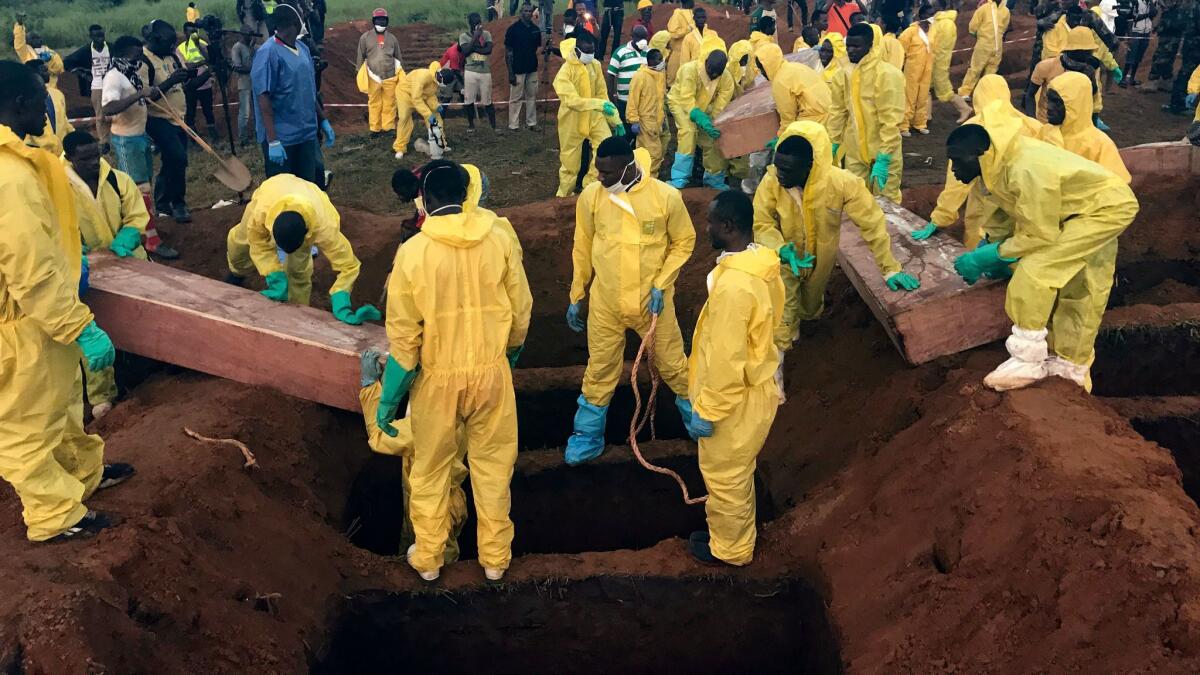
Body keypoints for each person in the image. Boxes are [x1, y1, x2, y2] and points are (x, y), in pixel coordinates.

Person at [378, 160, 531, 583]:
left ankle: (428, 558)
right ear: (467, 195)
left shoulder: (413, 253)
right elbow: (521, 308)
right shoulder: (498, 237)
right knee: (494, 467)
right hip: (491, 374)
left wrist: (389, 400)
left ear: (424, 201)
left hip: (436, 379)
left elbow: (405, 341)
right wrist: (511, 353)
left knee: (430, 470)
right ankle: (495, 558)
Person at [0, 59, 129, 544]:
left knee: (62, 406)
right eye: (41, 98)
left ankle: (83, 474)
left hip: (39, 321)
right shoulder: (7, 178)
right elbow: (29, 272)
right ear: (20, 104)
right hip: (21, 326)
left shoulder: (22, 159)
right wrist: (78, 325)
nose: (51, 109)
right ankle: (54, 515)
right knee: (26, 427)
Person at [946, 116, 1138, 392]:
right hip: (1074, 211)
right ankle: (1068, 367)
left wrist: (992, 255)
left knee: (1037, 269)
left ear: (979, 155)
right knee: (1077, 281)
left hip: (1104, 210)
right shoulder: (995, 165)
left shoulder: (1025, 169)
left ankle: (1028, 360)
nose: (953, 169)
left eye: (957, 160)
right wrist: (989, 244)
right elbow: (1003, 214)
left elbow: (1039, 234)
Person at [753, 122, 918, 398]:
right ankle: (775, 382)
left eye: (787, 170)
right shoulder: (772, 183)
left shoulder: (841, 184)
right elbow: (762, 222)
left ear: (810, 167)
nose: (779, 175)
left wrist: (889, 268)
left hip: (821, 263)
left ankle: (796, 335)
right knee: (781, 313)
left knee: (808, 307)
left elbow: (872, 223)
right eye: (777, 166)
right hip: (782, 261)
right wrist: (781, 249)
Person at [563, 137, 699, 464]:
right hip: (605, 305)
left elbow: (684, 241)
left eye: (607, 173)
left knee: (674, 365)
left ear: (628, 166)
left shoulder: (665, 197)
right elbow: (582, 247)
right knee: (600, 369)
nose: (600, 178)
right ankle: (587, 435)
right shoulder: (592, 198)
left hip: (652, 305)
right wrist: (577, 293)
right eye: (598, 171)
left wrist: (661, 284)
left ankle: (698, 422)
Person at [685, 189, 783, 567]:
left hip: (735, 398)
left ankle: (730, 550)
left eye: (710, 221)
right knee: (737, 471)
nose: (706, 227)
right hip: (752, 388)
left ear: (727, 226)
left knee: (725, 475)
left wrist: (708, 409)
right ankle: (728, 533)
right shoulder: (758, 263)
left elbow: (727, 359)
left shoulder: (734, 287)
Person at [62, 130, 149, 419]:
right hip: (86, 270)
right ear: (71, 158)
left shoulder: (117, 180)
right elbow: (56, 226)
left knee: (142, 319)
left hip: (127, 262)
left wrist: (128, 236)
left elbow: (137, 216)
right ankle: (101, 397)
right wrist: (76, 250)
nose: (92, 163)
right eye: (84, 159)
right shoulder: (59, 187)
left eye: (95, 155)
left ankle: (144, 367)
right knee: (94, 331)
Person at [225, 174, 378, 326]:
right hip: (274, 188)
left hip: (312, 199)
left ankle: (297, 314)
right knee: (239, 242)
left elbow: (349, 266)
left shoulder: (325, 227)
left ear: (306, 233)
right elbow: (258, 243)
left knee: (298, 272)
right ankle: (236, 273)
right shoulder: (261, 212)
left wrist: (341, 297)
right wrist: (274, 274)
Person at [913, 75, 1042, 249]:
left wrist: (940, 217)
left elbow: (957, 181)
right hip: (1024, 208)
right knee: (1013, 253)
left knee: (979, 255)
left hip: (985, 209)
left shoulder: (972, 129)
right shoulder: (1033, 126)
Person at [100, 35, 180, 260]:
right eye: (136, 54)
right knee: (138, 190)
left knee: (144, 185)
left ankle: (147, 229)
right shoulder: (113, 78)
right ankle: (150, 240)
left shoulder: (129, 74)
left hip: (139, 137)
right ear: (125, 54)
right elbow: (108, 108)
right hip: (126, 140)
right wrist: (139, 95)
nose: (140, 59)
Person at [253, 2, 336, 186]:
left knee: (310, 186)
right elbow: (263, 98)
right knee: (285, 192)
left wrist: (322, 120)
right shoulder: (268, 54)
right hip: (283, 138)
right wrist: (273, 141)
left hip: (306, 133)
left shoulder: (303, 48)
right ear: (293, 23)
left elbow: (309, 90)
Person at [827, 24, 906, 202]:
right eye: (849, 46)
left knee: (887, 201)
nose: (851, 51)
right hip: (855, 149)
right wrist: (833, 142)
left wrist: (885, 156)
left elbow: (891, 121)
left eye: (857, 46)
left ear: (870, 46)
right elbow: (838, 112)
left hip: (884, 150)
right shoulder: (844, 74)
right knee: (857, 199)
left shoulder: (886, 75)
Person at [140, 20, 194, 223]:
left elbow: (185, 84)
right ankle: (178, 203)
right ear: (154, 40)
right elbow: (146, 96)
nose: (173, 46)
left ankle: (163, 202)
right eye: (169, 42)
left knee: (172, 160)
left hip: (178, 117)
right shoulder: (144, 60)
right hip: (158, 118)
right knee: (179, 158)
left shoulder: (171, 55)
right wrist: (171, 80)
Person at [552, 33, 619, 197]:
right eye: (587, 51)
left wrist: (614, 119)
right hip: (572, 120)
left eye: (592, 51)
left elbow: (602, 93)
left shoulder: (595, 65)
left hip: (594, 117)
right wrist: (598, 104)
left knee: (604, 148)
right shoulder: (565, 72)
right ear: (576, 50)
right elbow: (572, 101)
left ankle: (590, 188)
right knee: (570, 162)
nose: (590, 54)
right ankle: (564, 196)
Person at [1039, 71, 1131, 182]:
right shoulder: (1045, 132)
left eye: (1057, 102)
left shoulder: (1100, 146)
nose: (1049, 107)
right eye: (1049, 100)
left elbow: (1116, 187)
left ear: (1075, 105)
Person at [669, 46, 734, 190]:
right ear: (706, 63)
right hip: (680, 103)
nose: (714, 75)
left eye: (718, 73)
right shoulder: (690, 70)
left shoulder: (726, 79)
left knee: (712, 138)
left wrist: (713, 123)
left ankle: (713, 178)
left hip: (704, 108)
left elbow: (720, 105)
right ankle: (680, 177)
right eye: (711, 71)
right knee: (689, 132)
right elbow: (686, 98)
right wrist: (699, 117)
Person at [755, 42, 831, 145]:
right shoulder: (794, 67)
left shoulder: (780, 81)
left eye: (762, 68)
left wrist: (781, 138)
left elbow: (788, 117)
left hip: (813, 123)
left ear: (768, 65)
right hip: (829, 116)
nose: (762, 73)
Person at [1026, 27, 1101, 123]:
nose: (1088, 56)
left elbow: (1090, 97)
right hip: (1046, 124)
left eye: (1089, 51)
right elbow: (1030, 95)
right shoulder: (1046, 66)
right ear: (1071, 50)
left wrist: (1090, 78)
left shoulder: (1089, 69)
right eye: (1083, 52)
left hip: (1073, 127)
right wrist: (1033, 122)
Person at [356, 8, 404, 136]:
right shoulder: (365, 38)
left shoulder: (393, 39)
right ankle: (375, 129)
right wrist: (359, 72)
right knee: (374, 103)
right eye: (378, 20)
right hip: (373, 76)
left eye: (383, 20)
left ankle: (388, 127)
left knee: (390, 103)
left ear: (387, 21)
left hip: (390, 76)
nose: (381, 22)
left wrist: (400, 73)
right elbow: (360, 56)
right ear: (374, 21)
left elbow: (398, 57)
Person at [63, 25, 111, 148]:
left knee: (119, 111)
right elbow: (67, 62)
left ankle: (118, 136)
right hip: (97, 85)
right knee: (100, 115)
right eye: (97, 36)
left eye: (102, 35)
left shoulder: (111, 47)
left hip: (113, 84)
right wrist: (84, 75)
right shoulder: (85, 51)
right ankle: (104, 141)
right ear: (91, 37)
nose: (100, 38)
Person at [395, 62, 454, 160]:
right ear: (441, 78)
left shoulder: (435, 81)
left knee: (436, 118)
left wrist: (436, 106)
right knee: (404, 117)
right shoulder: (423, 77)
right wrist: (427, 114)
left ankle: (440, 144)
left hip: (420, 96)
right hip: (405, 94)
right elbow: (416, 98)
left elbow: (430, 95)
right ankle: (400, 148)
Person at [626, 47, 668, 173]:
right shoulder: (640, 76)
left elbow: (661, 97)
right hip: (646, 122)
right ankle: (649, 179)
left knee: (649, 151)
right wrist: (633, 120)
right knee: (653, 154)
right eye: (659, 59)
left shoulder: (659, 75)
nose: (663, 62)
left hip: (658, 120)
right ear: (651, 61)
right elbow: (632, 99)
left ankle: (641, 176)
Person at [958, 0, 1011, 98]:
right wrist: (982, 38)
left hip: (997, 47)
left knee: (991, 71)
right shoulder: (984, 8)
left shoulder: (1006, 11)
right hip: (983, 46)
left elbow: (1004, 27)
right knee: (975, 69)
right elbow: (973, 27)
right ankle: (964, 92)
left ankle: (985, 93)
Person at [930, 0, 973, 122]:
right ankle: (925, 117)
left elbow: (941, 47)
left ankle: (964, 108)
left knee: (944, 89)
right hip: (932, 61)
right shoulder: (937, 21)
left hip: (939, 62)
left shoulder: (947, 24)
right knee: (926, 88)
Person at [505, 3, 543, 132]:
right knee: (515, 98)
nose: (527, 13)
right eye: (525, 11)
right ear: (521, 12)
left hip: (532, 68)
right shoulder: (513, 29)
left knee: (532, 96)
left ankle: (531, 123)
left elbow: (537, 49)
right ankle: (513, 125)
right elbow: (508, 52)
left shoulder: (535, 29)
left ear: (532, 13)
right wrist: (510, 72)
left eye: (529, 11)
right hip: (517, 68)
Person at [24, 60, 73, 157]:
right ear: (34, 74)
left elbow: (64, 121)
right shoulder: (25, 98)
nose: (48, 73)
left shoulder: (57, 94)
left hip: (61, 152)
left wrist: (74, 137)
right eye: (44, 70)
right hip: (38, 152)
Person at [898, 4, 934, 136]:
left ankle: (920, 123)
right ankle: (904, 125)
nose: (931, 17)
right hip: (912, 69)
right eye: (928, 14)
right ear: (921, 16)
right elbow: (901, 50)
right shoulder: (910, 32)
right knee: (909, 96)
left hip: (927, 69)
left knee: (923, 96)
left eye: (932, 14)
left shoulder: (933, 30)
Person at [179, 23, 218, 144]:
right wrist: (203, 62)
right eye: (191, 32)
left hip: (206, 84)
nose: (193, 34)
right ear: (185, 33)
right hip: (190, 85)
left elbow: (211, 60)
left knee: (208, 111)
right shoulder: (180, 48)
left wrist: (199, 47)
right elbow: (186, 67)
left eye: (195, 31)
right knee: (190, 113)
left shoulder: (203, 45)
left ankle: (213, 135)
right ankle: (193, 139)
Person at [460, 13, 498, 133]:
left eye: (479, 23)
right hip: (470, 71)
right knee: (469, 100)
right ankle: (471, 125)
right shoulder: (463, 36)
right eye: (475, 23)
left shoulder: (486, 34)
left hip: (485, 71)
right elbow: (465, 51)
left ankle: (494, 126)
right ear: (470, 24)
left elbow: (488, 50)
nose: (478, 25)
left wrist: (474, 48)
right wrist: (475, 38)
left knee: (487, 100)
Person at [607, 25, 649, 126]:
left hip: (644, 101)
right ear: (632, 36)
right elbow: (610, 76)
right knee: (627, 130)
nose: (642, 40)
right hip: (624, 100)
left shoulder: (649, 52)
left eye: (644, 37)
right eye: (639, 37)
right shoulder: (620, 52)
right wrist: (612, 98)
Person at [1166, 0, 1200, 115]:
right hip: (1195, 46)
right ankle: (1179, 104)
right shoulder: (1196, 6)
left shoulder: (1193, 4)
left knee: (1187, 73)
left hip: (1192, 44)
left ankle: (1180, 102)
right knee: (1188, 74)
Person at [13, 14, 64, 90]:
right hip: (34, 87)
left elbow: (60, 68)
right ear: (27, 41)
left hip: (52, 87)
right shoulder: (26, 52)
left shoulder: (51, 52)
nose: (36, 40)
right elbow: (19, 42)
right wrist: (19, 25)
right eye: (33, 38)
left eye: (38, 38)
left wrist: (49, 62)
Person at [1149, 0, 1186, 88]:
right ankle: (1166, 79)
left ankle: (1154, 80)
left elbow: (1168, 6)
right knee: (1168, 55)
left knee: (1162, 55)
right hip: (1171, 28)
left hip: (1170, 29)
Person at [230, 29, 256, 145]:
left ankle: (258, 135)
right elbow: (238, 67)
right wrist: (254, 69)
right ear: (242, 35)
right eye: (248, 36)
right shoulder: (237, 47)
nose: (250, 38)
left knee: (257, 111)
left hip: (255, 82)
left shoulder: (253, 47)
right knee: (245, 113)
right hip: (244, 82)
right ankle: (243, 139)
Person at [1120, 0, 1154, 87]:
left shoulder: (1151, 2)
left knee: (1139, 56)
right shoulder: (1136, 2)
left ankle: (1132, 78)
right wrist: (1148, 14)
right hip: (1136, 31)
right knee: (1131, 55)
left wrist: (1152, 6)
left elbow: (1153, 14)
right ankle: (1123, 78)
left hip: (1146, 31)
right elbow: (1134, 17)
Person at [666, 0, 698, 85]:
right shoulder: (677, 14)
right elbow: (673, 33)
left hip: (690, 53)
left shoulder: (692, 14)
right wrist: (687, 29)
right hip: (678, 53)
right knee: (673, 81)